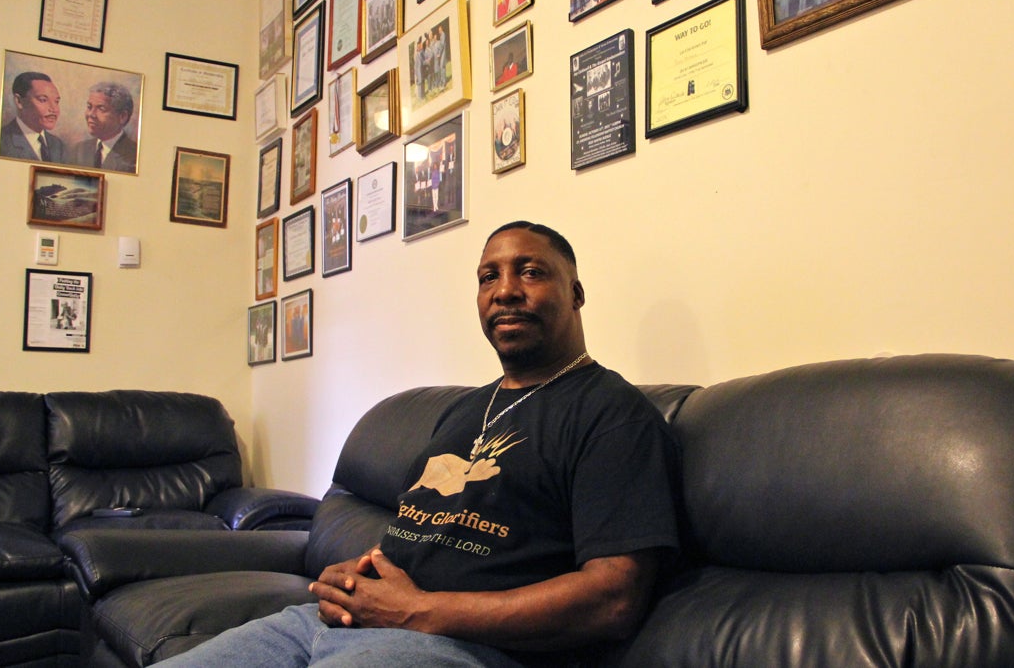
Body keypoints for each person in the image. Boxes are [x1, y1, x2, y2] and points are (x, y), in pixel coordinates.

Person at [156, 222, 680, 667]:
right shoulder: (463, 410)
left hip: (459, 646)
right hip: (328, 623)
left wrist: (418, 612)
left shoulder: (614, 415)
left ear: (576, 293)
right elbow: (424, 527)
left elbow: (614, 599)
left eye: (532, 271)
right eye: (488, 277)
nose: (505, 290)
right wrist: (358, 571)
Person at [69, 82, 137, 172]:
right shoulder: (79, 151)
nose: (91, 114)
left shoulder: (135, 156)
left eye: (101, 109)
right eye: (89, 107)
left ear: (122, 116)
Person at [0, 71, 65, 163]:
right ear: (19, 101)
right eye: (43, 100)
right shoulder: (1, 142)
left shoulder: (58, 145)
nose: (54, 109)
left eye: (56, 102)